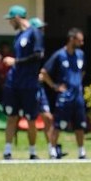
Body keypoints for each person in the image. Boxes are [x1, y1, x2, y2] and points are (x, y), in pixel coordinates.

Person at [0, 5, 44, 160]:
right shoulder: (19, 36)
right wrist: (1, 58)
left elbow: (38, 55)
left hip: (29, 84)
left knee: (31, 118)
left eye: (10, 19)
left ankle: (32, 152)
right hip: (13, 83)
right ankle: (7, 152)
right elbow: (14, 62)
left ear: (18, 18)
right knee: (11, 117)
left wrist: (16, 61)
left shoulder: (35, 32)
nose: (9, 22)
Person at [40, 28, 87, 160]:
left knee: (80, 125)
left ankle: (82, 152)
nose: (81, 43)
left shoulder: (80, 55)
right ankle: (53, 151)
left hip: (78, 97)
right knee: (58, 125)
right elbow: (44, 73)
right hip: (65, 97)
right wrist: (55, 86)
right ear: (71, 39)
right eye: (79, 40)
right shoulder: (59, 55)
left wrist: (77, 84)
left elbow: (82, 72)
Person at [29, 17, 66, 158]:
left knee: (48, 117)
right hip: (28, 87)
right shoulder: (27, 47)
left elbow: (43, 72)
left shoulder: (41, 46)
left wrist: (52, 85)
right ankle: (31, 152)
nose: (41, 32)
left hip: (39, 87)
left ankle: (52, 150)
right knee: (29, 119)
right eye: (39, 29)